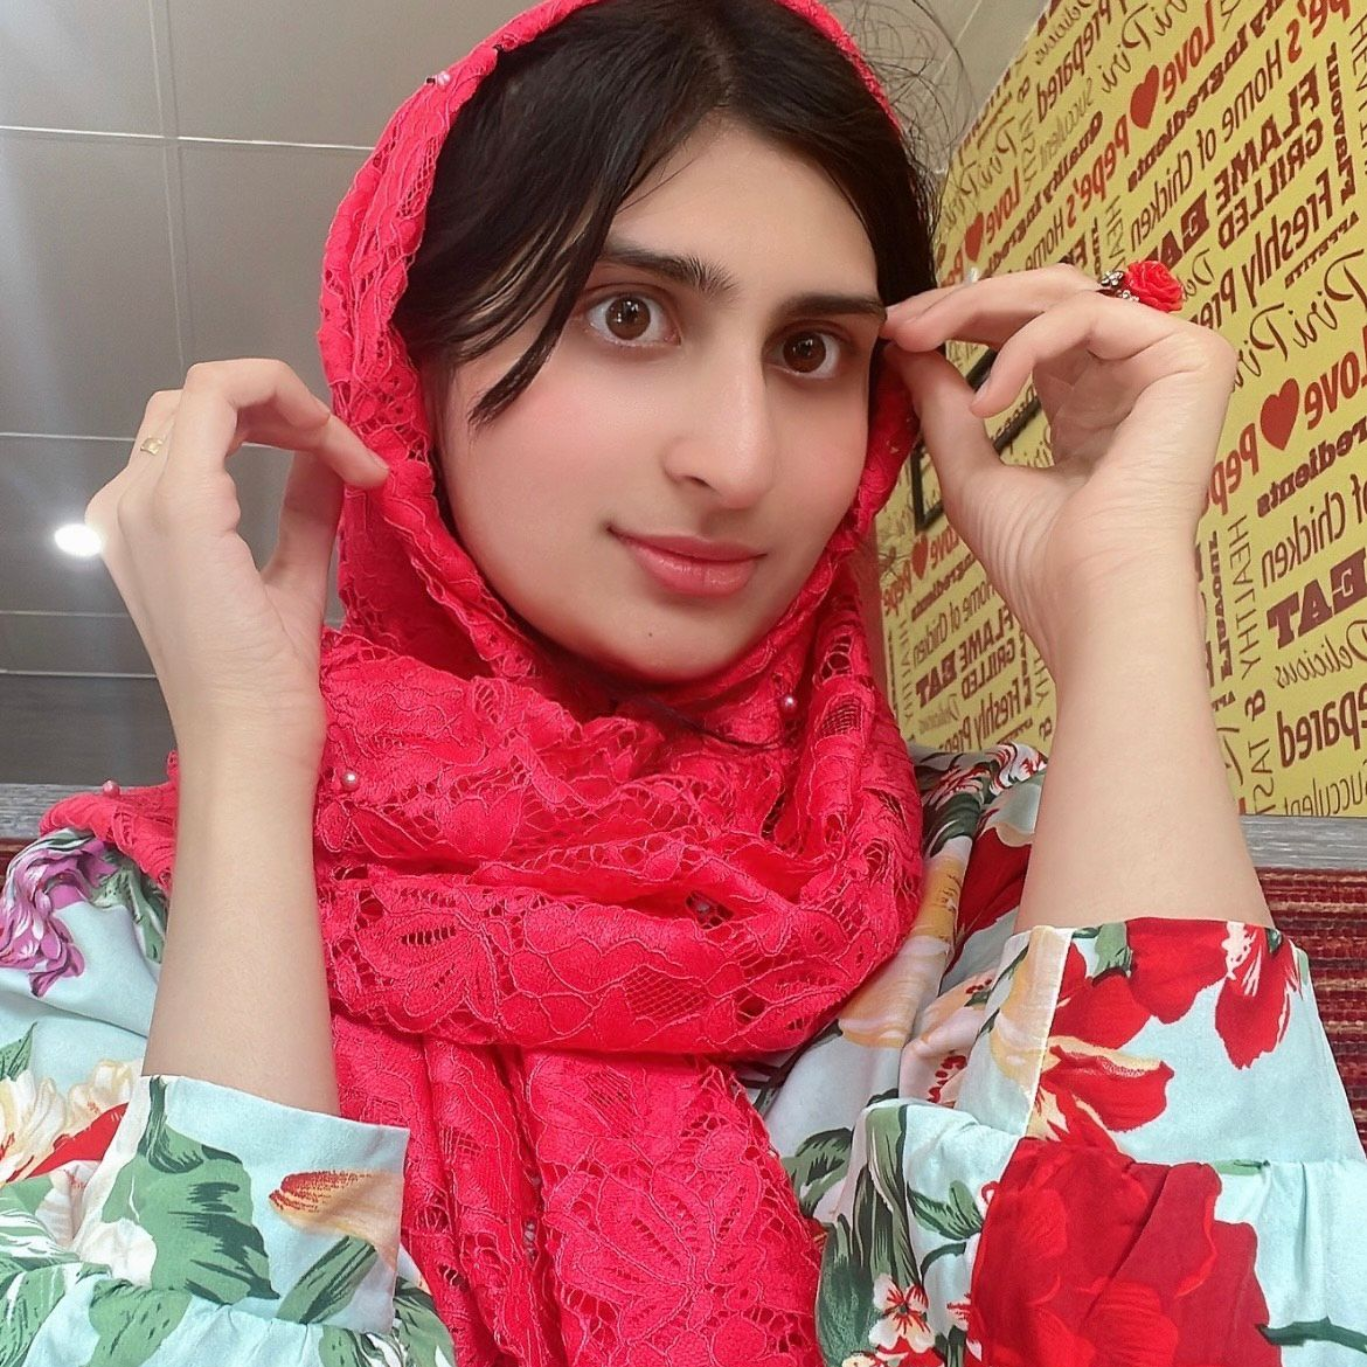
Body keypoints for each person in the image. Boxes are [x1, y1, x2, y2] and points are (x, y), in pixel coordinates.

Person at [1, 0, 1364, 1362]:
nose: (740, 459)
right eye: (630, 312)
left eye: (808, 351)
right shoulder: (120, 927)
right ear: (405, 364)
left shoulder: (989, 873)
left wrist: (1126, 592)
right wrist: (248, 762)